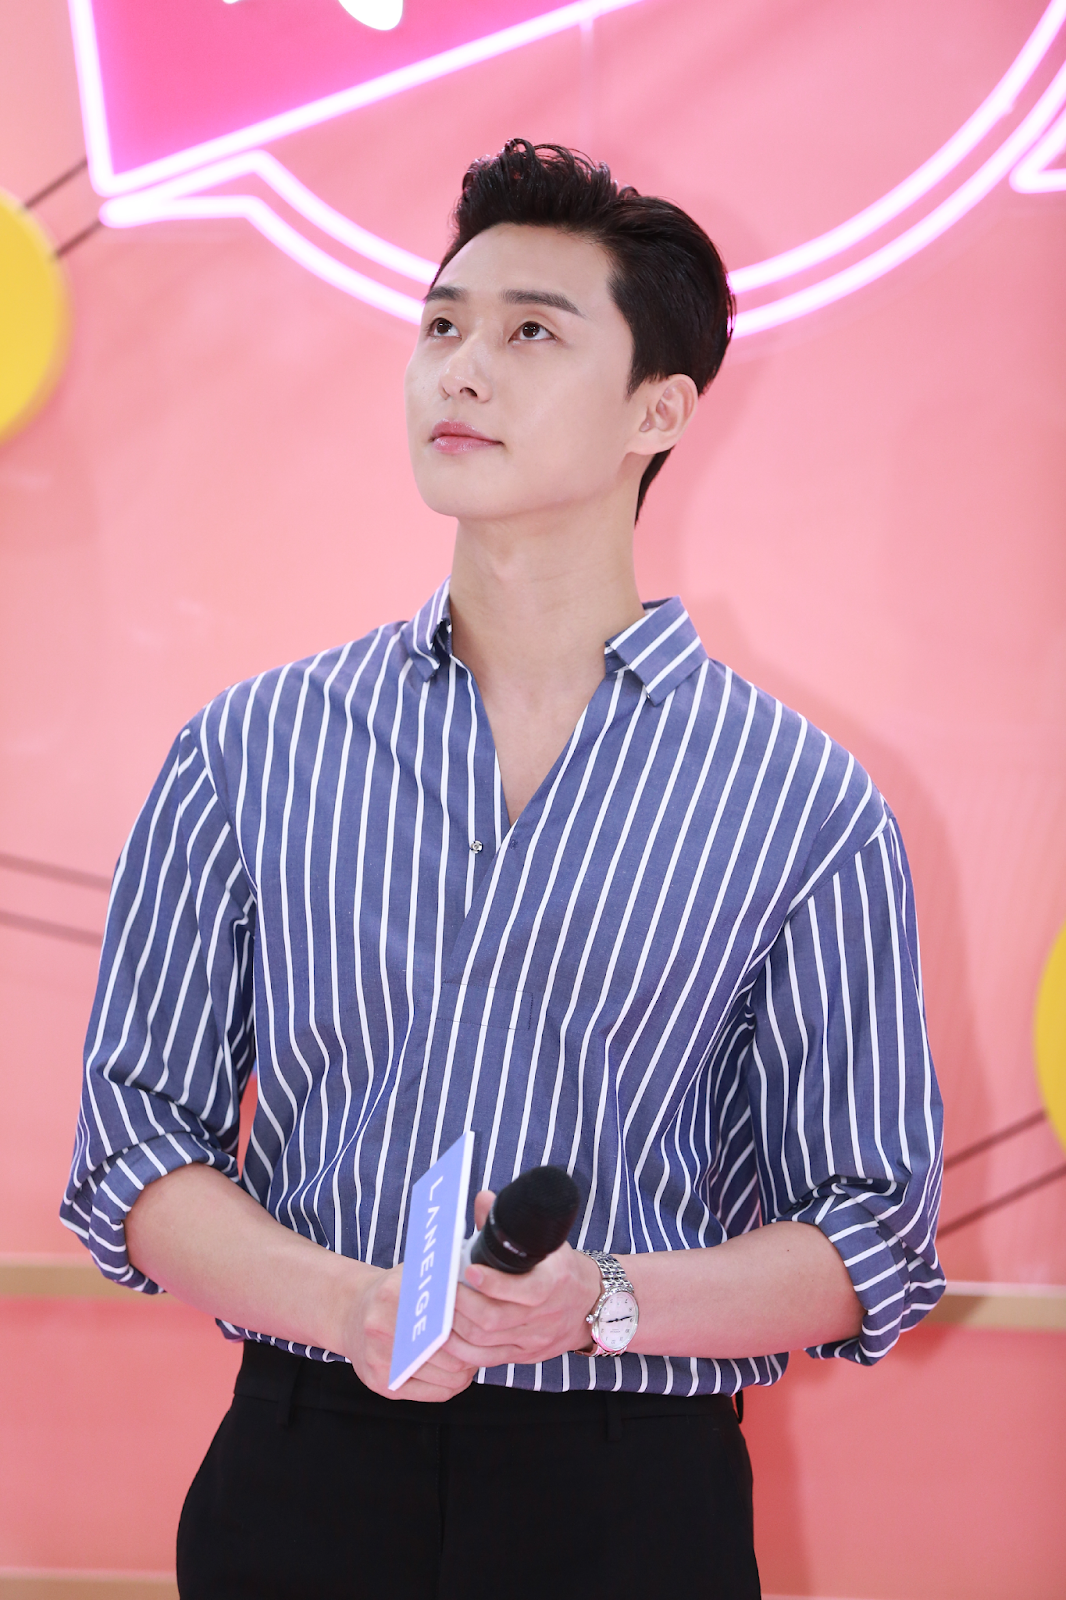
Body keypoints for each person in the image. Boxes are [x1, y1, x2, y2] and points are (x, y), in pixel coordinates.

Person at [62, 141, 944, 1599]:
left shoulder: (805, 801)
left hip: (628, 1493)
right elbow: (132, 1142)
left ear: (659, 408)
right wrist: (349, 1304)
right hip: (303, 1463)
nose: (459, 370)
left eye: (531, 332)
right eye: (441, 326)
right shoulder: (252, 745)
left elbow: (871, 1232)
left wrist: (600, 1301)